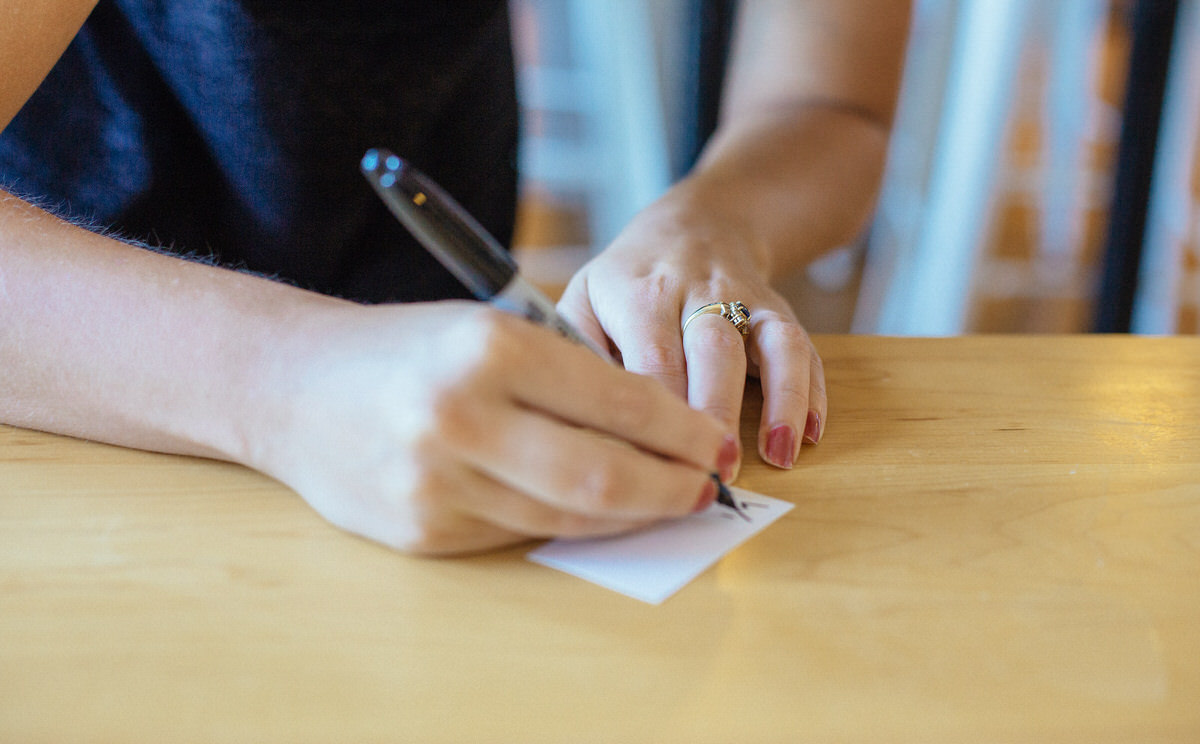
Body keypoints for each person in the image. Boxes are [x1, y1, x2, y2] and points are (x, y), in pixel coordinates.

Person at [0, 1, 910, 555]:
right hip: (76, 381)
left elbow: (828, 99)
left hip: (430, 375)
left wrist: (715, 220)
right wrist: (283, 381)